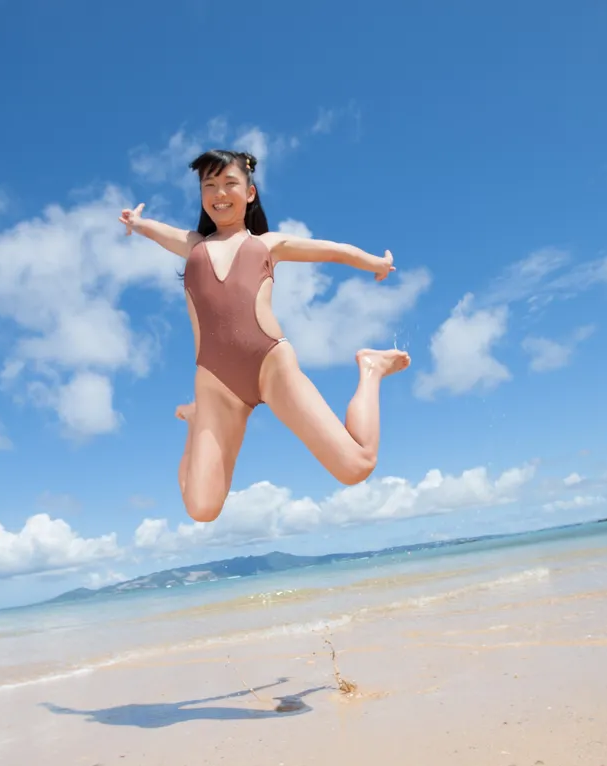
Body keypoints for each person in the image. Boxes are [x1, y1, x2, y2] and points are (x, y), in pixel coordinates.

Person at [120, 149, 410, 523]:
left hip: (271, 364)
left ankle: (371, 367)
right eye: (209, 185)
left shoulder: (267, 244)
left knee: (357, 466)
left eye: (229, 184)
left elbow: (333, 251)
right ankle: (196, 422)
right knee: (202, 509)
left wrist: (376, 263)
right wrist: (138, 223)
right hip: (215, 384)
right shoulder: (195, 245)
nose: (218, 193)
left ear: (250, 192)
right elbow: (158, 232)